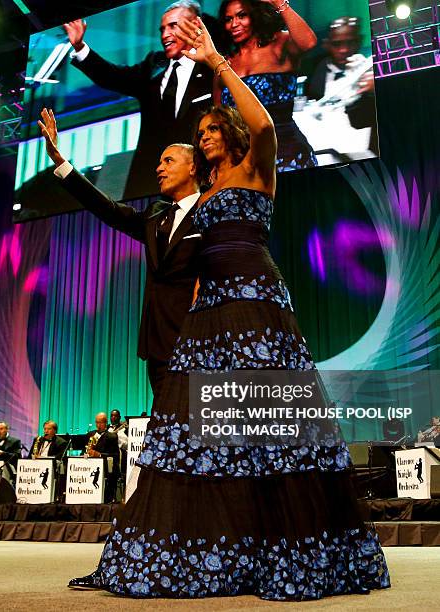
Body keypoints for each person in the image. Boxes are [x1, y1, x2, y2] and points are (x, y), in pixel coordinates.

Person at [67, 17, 390, 599]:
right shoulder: (202, 192)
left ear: (232, 136)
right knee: (196, 438)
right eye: (203, 130)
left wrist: (217, 62)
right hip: (207, 311)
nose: (207, 134)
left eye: (216, 128)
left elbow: (264, 120)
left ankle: (289, 552)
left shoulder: (257, 169)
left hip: (256, 303)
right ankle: (222, 552)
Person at [38, 112, 202, 395]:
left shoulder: (212, 211)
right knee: (167, 433)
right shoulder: (155, 215)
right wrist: (60, 162)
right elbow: (108, 210)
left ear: (193, 168)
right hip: (158, 348)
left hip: (199, 342)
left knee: (203, 431)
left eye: (168, 161)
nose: (158, 168)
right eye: (159, 161)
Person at [63, 1, 213, 199]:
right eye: (162, 29)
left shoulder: (212, 70)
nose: (165, 35)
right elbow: (113, 76)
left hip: (199, 185)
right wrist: (80, 47)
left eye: (172, 26)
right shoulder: (154, 66)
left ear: (194, 24)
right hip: (148, 186)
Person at [215, 0, 317, 172]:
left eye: (242, 16)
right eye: (228, 19)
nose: (234, 24)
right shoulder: (225, 62)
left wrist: (278, 2)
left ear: (255, 15)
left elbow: (308, 43)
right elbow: (218, 118)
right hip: (243, 162)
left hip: (287, 155)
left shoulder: (278, 43)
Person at [83, 412, 120, 503]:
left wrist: (99, 455)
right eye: (97, 422)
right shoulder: (90, 434)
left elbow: (115, 455)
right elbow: (84, 450)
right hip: (89, 466)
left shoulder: (112, 436)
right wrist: (85, 454)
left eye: (101, 422)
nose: (98, 425)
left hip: (106, 468)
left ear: (105, 423)